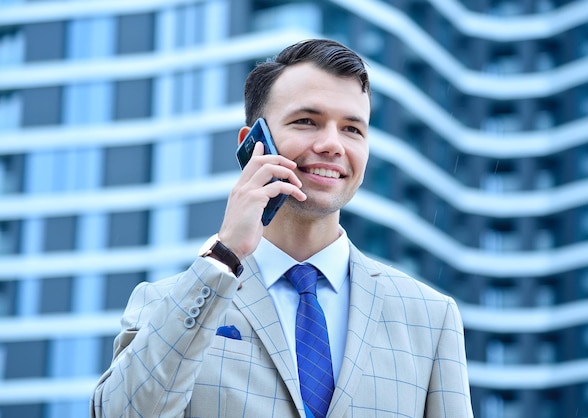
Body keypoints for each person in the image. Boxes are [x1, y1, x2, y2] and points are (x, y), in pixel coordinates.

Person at [90, 38, 473, 418]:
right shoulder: (168, 302)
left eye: (352, 129)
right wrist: (224, 256)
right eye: (307, 121)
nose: (331, 144)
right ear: (252, 144)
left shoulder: (430, 318)